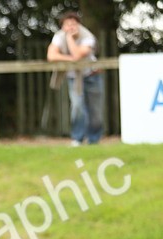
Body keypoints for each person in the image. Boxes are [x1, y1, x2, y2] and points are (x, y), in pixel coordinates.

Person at [47, 11, 103, 146]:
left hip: (92, 76)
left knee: (95, 111)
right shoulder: (58, 37)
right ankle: (77, 139)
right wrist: (70, 59)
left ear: (79, 25)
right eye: (68, 24)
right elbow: (51, 56)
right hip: (74, 78)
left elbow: (78, 55)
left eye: (74, 24)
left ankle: (94, 140)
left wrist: (70, 39)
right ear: (62, 27)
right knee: (77, 107)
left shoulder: (87, 36)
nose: (71, 27)